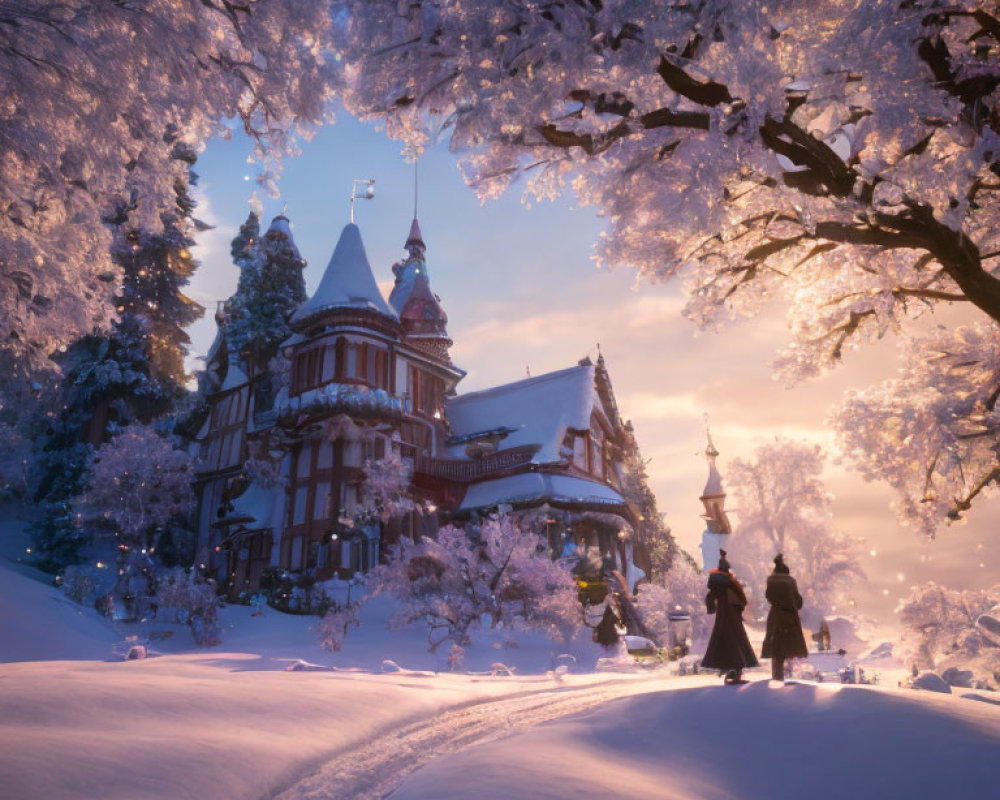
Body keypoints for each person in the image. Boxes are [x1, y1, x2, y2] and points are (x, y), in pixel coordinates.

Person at [701, 550, 759, 684]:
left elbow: (713, 590)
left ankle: (730, 666)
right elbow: (739, 595)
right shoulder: (725, 578)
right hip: (729, 610)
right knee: (734, 637)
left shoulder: (719, 578)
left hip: (726, 610)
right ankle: (734, 666)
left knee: (728, 637)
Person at [761, 554, 808, 682]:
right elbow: (798, 602)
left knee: (775, 644)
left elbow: (768, 596)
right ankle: (788, 674)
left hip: (776, 615)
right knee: (790, 643)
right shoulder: (791, 581)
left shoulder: (770, 580)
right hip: (790, 615)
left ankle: (777, 675)